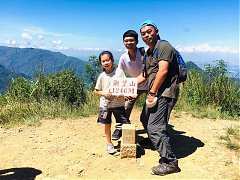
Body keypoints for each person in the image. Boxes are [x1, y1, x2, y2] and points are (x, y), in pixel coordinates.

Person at [138, 20, 181, 175]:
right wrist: (124, 86)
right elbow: (143, 76)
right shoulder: (149, 52)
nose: (146, 35)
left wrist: (151, 93)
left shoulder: (164, 46)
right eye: (143, 33)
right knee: (144, 118)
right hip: (155, 93)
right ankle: (154, 141)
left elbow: (163, 71)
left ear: (156, 31)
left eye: (149, 31)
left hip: (164, 93)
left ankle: (170, 162)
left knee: (155, 127)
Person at [111, 30, 148, 141]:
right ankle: (120, 128)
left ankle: (152, 131)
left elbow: (147, 73)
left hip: (150, 85)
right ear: (123, 42)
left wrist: (129, 84)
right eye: (126, 40)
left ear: (137, 41)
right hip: (135, 86)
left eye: (131, 40)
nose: (128, 42)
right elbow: (119, 74)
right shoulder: (123, 57)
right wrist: (122, 89)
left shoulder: (145, 53)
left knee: (150, 111)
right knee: (124, 107)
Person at [94, 51, 130, 155]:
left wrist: (122, 94)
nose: (106, 62)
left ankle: (128, 143)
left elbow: (126, 86)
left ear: (112, 60)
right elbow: (96, 91)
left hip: (118, 104)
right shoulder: (101, 76)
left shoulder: (119, 72)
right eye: (103, 61)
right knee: (107, 124)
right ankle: (109, 144)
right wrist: (104, 93)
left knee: (125, 124)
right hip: (105, 105)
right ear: (101, 63)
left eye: (107, 60)